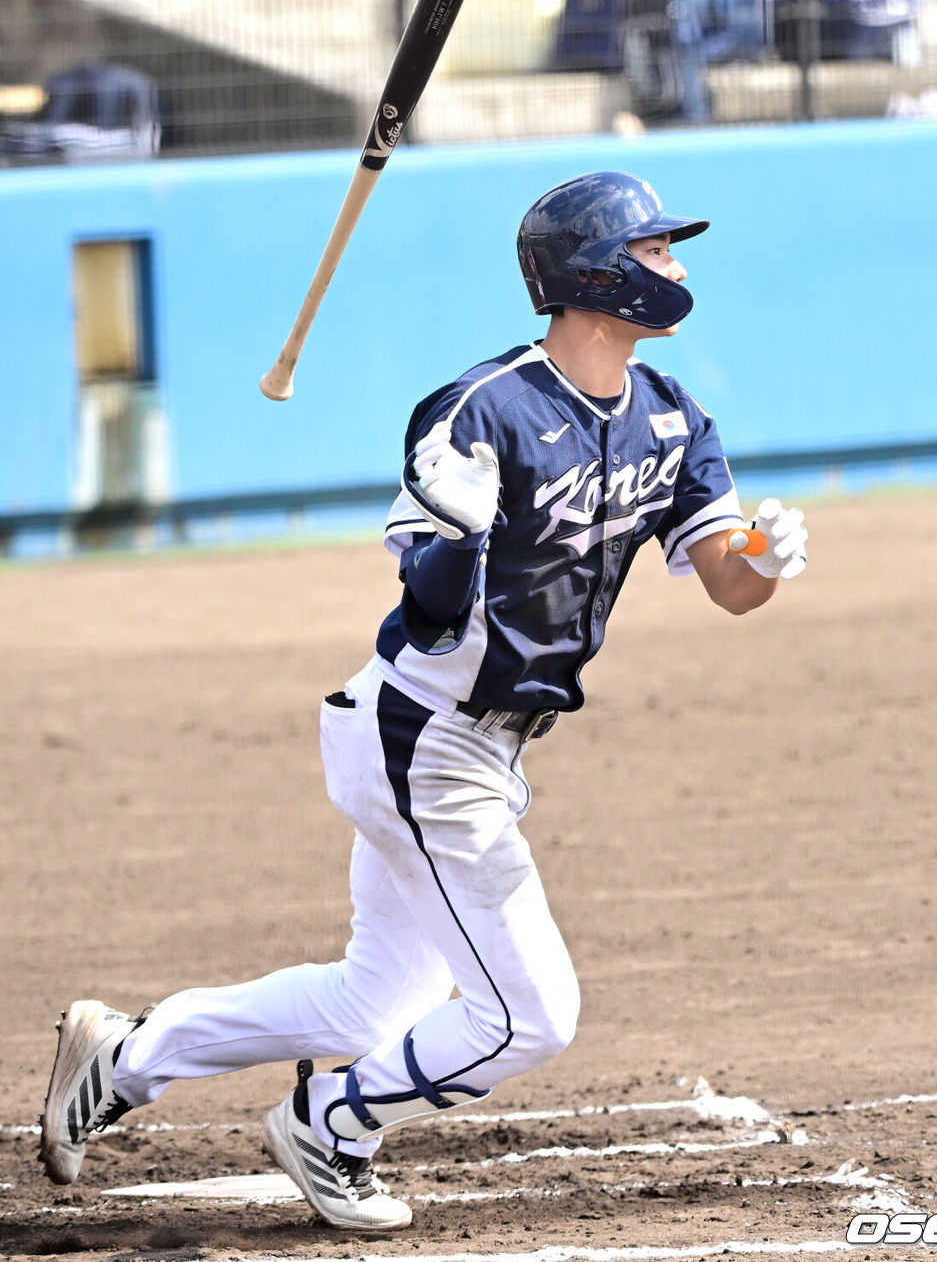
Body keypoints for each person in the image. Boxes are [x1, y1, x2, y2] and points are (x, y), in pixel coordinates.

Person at [39, 170, 808, 1233]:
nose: (674, 266)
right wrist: (458, 539)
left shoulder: (673, 416)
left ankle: (124, 1056)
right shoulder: (482, 408)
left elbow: (728, 584)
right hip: (422, 737)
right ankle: (331, 1126)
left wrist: (763, 558)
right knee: (531, 1017)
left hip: (475, 746)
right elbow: (431, 609)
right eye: (654, 249)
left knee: (373, 1002)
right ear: (597, 276)